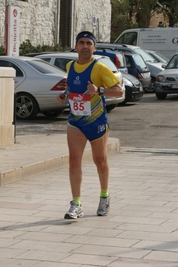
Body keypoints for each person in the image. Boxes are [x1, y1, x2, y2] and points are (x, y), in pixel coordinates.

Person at [56, 31, 123, 219]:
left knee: (100, 161)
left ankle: (104, 196)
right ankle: (76, 204)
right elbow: (73, 88)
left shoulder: (100, 68)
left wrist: (100, 90)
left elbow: (118, 91)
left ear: (95, 48)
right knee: (74, 161)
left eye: (89, 43)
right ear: (75, 47)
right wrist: (65, 95)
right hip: (76, 121)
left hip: (96, 121)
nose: (85, 46)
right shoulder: (70, 66)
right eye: (81, 43)